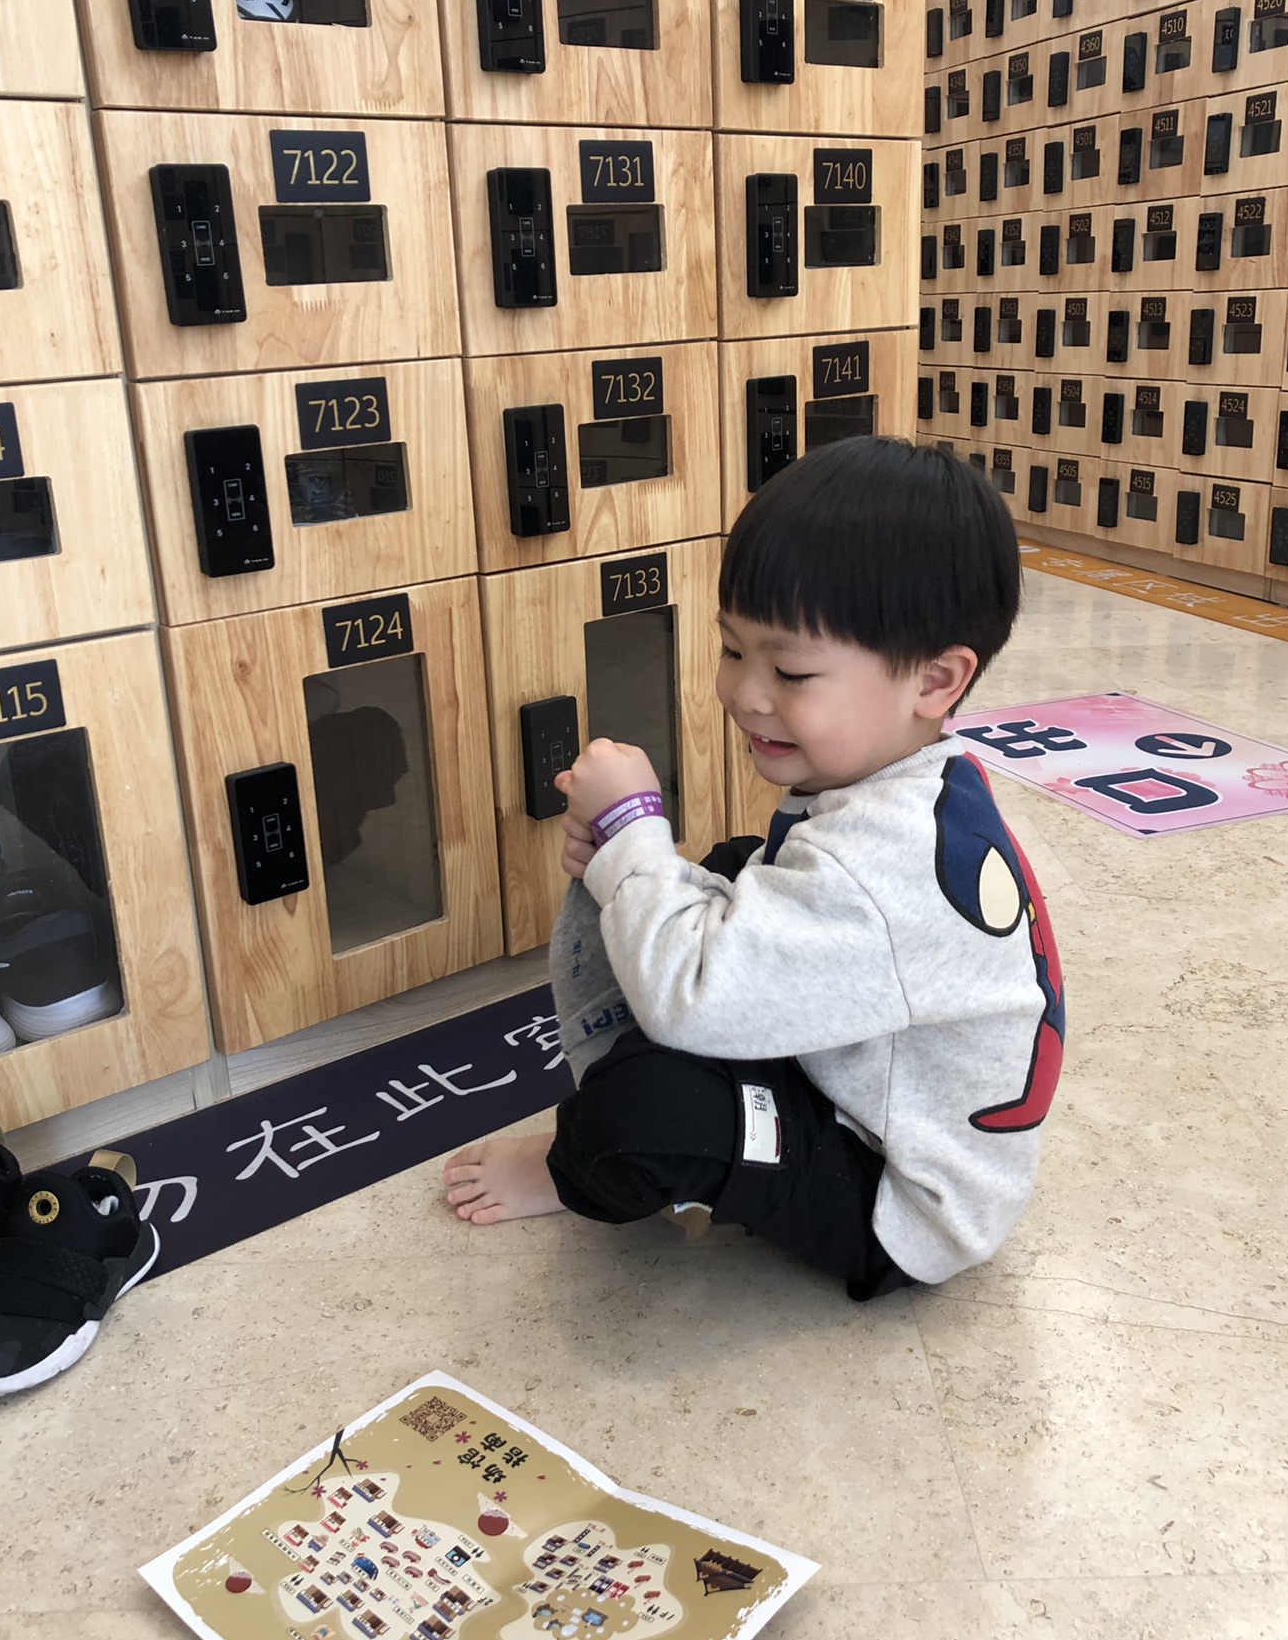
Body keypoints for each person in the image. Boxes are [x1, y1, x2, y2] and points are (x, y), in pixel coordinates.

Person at [444, 439, 1065, 1297]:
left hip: (894, 1201)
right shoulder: (922, 782)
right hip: (864, 1082)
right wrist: (632, 872)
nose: (744, 693)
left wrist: (630, 835)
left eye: (793, 670)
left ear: (935, 679)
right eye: (733, 650)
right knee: (736, 864)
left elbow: (691, 1000)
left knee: (641, 1112)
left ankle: (571, 1170)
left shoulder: (877, 869)